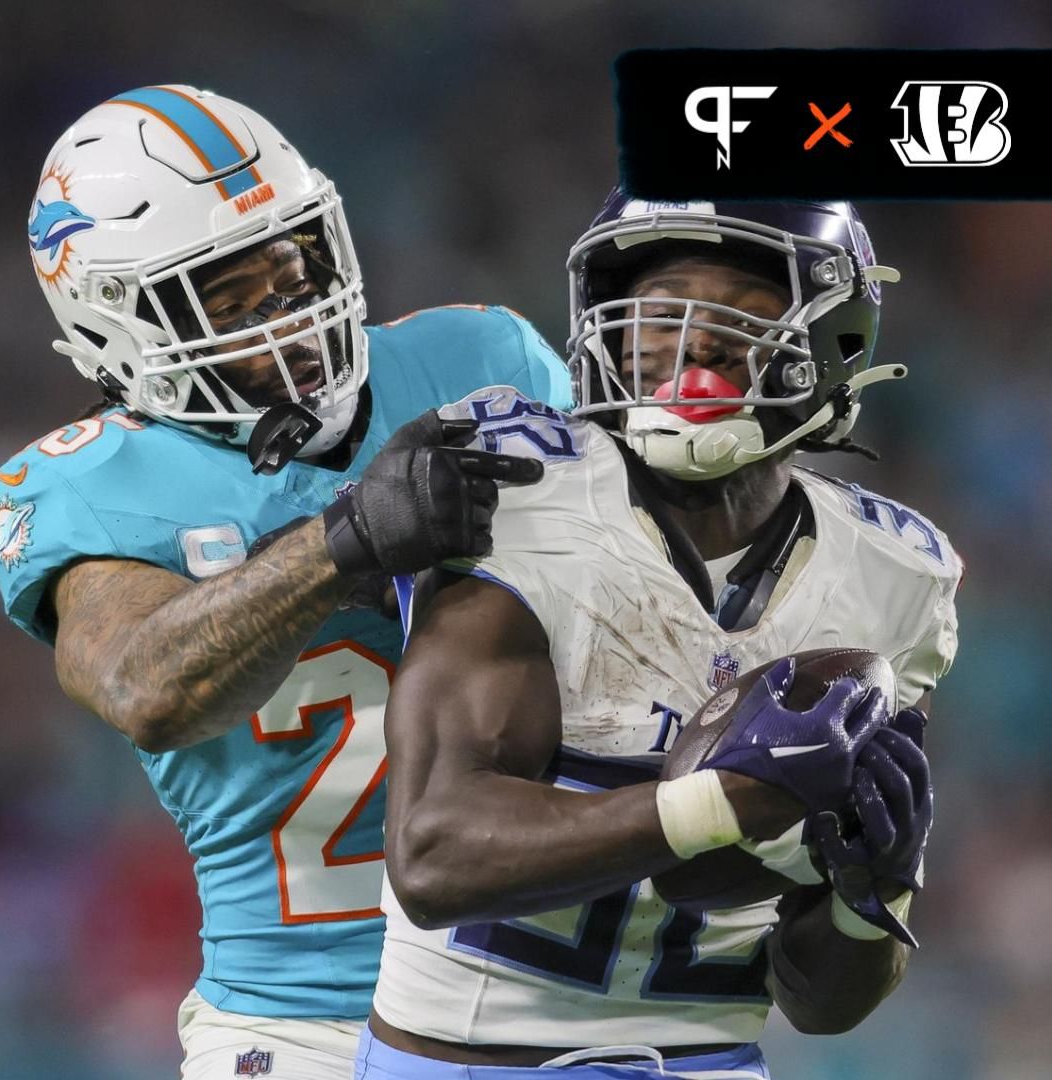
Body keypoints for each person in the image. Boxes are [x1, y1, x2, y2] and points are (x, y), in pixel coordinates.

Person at [0, 85, 571, 1078]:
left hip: (557, 991)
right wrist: (340, 548)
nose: (290, 317)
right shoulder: (94, 486)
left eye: (291, 270)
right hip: (307, 1026)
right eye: (229, 298)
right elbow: (140, 684)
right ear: (118, 324)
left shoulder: (481, 360)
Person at [361, 193, 959, 1079]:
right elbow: (433, 853)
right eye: (661, 306)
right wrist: (717, 807)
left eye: (745, 312)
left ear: (835, 341)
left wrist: (868, 899)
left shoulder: (897, 576)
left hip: (712, 1061)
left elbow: (822, 1004)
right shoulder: (521, 495)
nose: (695, 342)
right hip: (468, 1061)